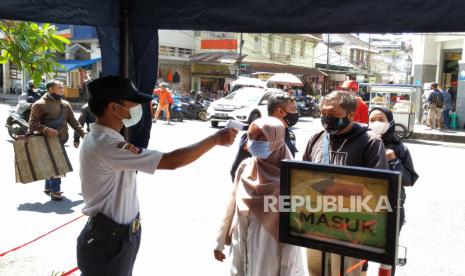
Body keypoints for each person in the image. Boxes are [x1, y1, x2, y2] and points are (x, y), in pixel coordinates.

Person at [76, 75, 237, 276]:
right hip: (110, 239)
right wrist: (215, 139)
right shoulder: (108, 145)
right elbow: (172, 161)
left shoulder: (103, 138)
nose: (137, 108)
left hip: (116, 234)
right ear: (114, 108)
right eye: (132, 103)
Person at [302, 91, 388, 276]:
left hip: (351, 232)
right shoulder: (317, 138)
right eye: (323, 114)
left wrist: (330, 187)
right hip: (316, 225)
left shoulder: (370, 142)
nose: (326, 119)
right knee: (316, 271)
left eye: (332, 115)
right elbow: (302, 178)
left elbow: (377, 189)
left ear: (351, 115)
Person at [214, 117, 304, 276]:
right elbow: (232, 203)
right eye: (251, 137)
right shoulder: (246, 166)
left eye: (261, 138)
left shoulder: (291, 177)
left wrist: (287, 270)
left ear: (276, 140)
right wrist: (220, 242)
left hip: (270, 253)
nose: (254, 142)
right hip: (240, 244)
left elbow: (292, 233)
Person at [367, 107, 419, 275]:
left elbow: (409, 179)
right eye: (372, 120)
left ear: (390, 122)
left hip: (391, 209)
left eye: (380, 120)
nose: (376, 123)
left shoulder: (399, 148)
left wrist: (394, 160)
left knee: (387, 257)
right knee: (361, 251)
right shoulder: (363, 144)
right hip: (363, 207)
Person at [29, 80, 86, 200]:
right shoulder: (39, 104)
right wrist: (45, 129)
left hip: (62, 139)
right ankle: (56, 190)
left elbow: (74, 122)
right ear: (50, 89)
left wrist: (84, 135)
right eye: (59, 88)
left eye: (62, 88)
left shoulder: (65, 104)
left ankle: (48, 187)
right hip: (47, 140)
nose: (62, 90)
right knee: (57, 165)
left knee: (51, 163)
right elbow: (32, 124)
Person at [230, 92, 299, 181]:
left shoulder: (289, 135)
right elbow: (236, 172)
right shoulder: (254, 136)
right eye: (293, 109)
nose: (296, 113)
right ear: (281, 111)